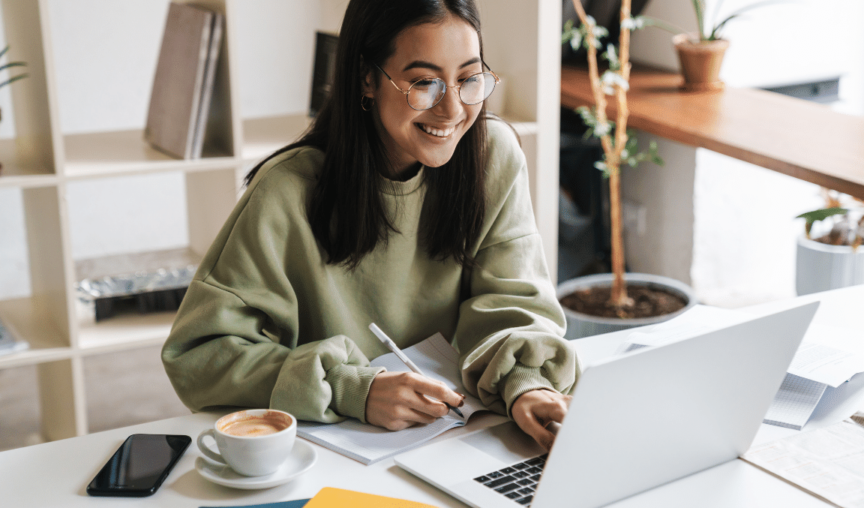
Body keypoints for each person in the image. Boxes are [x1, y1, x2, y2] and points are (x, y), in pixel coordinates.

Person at [162, 0, 579, 451]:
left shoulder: (492, 156)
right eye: (425, 83)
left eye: (468, 79)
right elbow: (199, 355)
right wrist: (350, 388)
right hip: (333, 450)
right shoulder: (287, 191)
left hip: (463, 434)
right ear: (367, 77)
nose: (453, 110)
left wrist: (527, 383)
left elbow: (515, 302)